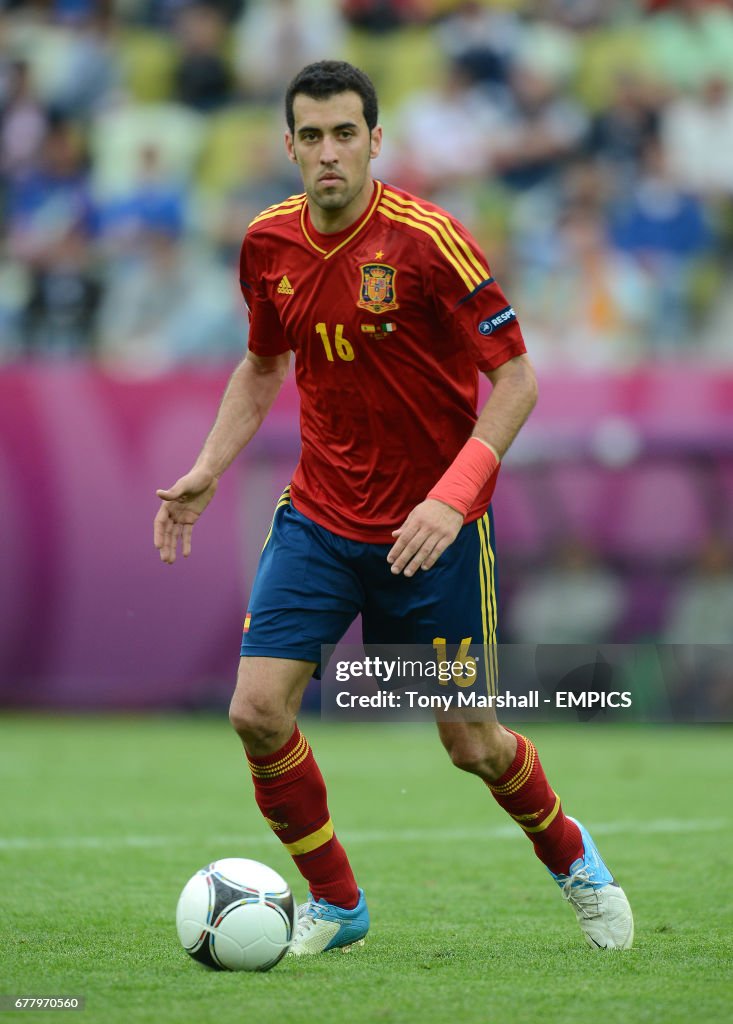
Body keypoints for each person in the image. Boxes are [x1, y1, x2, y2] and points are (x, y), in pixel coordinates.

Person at [153, 60, 633, 955]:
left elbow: (517, 379)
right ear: (287, 144)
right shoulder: (267, 244)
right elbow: (263, 366)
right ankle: (337, 903)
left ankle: (574, 861)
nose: (328, 153)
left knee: (472, 744)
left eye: (346, 134)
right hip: (321, 520)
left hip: (431, 537)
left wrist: (452, 502)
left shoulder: (428, 241)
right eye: (311, 136)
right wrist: (208, 467)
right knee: (256, 711)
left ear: (376, 141)